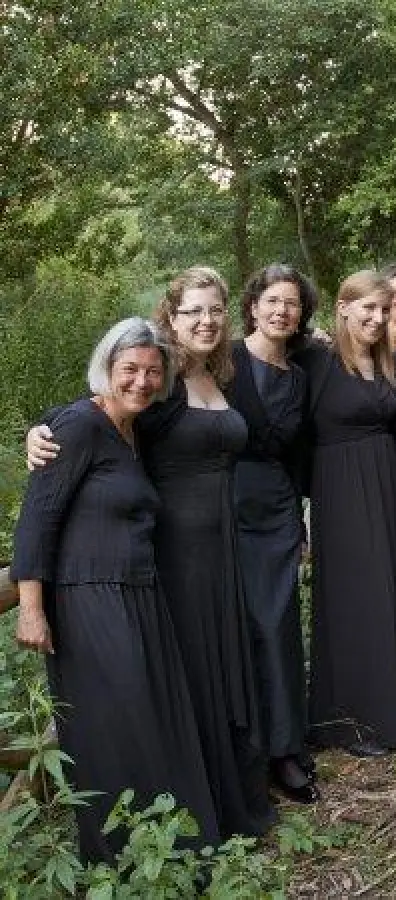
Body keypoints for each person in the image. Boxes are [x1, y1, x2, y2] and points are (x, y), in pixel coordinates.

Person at [30, 270, 280, 837]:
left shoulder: (229, 375)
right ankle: (197, 810)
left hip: (224, 550)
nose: (207, 321)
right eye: (193, 311)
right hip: (172, 555)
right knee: (190, 676)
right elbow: (98, 409)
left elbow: (272, 437)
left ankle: (236, 799)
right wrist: (39, 428)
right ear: (172, 315)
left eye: (216, 309)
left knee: (227, 668)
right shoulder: (157, 379)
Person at [12, 318, 222, 862]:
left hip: (139, 594)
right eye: (129, 369)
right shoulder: (81, 425)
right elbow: (37, 519)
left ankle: (168, 850)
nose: (141, 381)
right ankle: (118, 860)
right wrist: (31, 608)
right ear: (106, 369)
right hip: (89, 599)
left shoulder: (135, 431)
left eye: (153, 372)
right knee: (112, 728)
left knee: (148, 720)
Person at [301, 270, 396, 757]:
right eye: (366, 308)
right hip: (342, 491)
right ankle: (353, 716)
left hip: (386, 486)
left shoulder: (385, 362)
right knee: (358, 595)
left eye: (382, 308)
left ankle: (394, 697)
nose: (375, 318)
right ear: (344, 308)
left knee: (391, 584)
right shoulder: (316, 357)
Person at [234, 264, 318, 802]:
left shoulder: (301, 375)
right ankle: (241, 756)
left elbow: (297, 457)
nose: (282, 310)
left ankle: (285, 751)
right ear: (253, 305)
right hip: (218, 513)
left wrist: (302, 524)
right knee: (231, 634)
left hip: (276, 516)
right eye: (273, 300)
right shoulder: (221, 360)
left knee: (279, 631)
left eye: (292, 303)